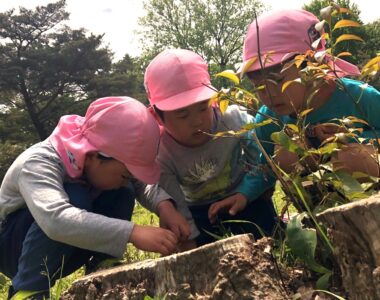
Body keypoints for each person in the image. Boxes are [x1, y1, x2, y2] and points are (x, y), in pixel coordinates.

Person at [0, 96, 180, 299]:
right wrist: (133, 232)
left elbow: (139, 183)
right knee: (76, 198)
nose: (126, 180)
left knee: (123, 191)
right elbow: (55, 219)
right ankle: (28, 289)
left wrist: (165, 206)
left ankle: (102, 267)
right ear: (94, 155)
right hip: (16, 248)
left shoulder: (95, 158)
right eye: (124, 174)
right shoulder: (38, 163)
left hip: (66, 245)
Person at [144, 48, 278, 249]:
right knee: (202, 243)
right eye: (182, 115)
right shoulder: (162, 150)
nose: (196, 121)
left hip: (242, 196)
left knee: (266, 230)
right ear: (157, 116)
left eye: (202, 107)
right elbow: (177, 203)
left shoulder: (232, 120)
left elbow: (262, 156)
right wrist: (189, 241)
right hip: (199, 210)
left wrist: (248, 193)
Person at [239, 9, 380, 176]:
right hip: (317, 194)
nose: (269, 94)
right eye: (258, 86)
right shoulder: (268, 118)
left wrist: (348, 138)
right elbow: (264, 166)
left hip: (370, 191)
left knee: (350, 157)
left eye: (277, 80)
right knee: (284, 152)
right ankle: (318, 199)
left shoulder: (360, 97)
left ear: (312, 66)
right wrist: (244, 194)